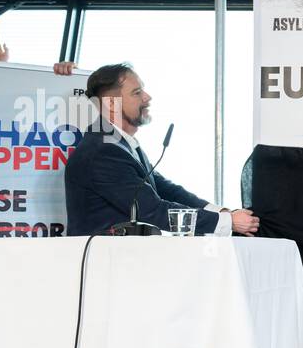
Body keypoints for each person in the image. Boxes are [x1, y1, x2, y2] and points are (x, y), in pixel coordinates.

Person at [64, 63, 259, 237]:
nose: (147, 97)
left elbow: (167, 191)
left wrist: (222, 213)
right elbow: (152, 210)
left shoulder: (120, 145)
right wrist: (227, 222)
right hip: (107, 267)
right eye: (137, 92)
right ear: (112, 104)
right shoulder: (102, 152)